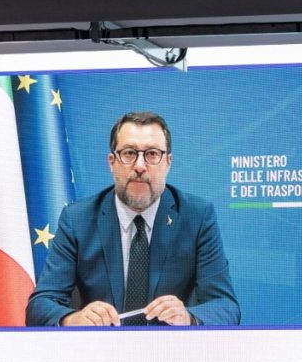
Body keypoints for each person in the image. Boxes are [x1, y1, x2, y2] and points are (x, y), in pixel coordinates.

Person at [25, 111, 240, 327]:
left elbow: (226, 307)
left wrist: (188, 317)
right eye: (129, 153)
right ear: (112, 162)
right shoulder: (77, 219)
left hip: (169, 346)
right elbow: (39, 306)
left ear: (168, 163)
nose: (139, 166)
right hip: (101, 345)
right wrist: (73, 319)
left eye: (152, 154)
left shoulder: (197, 217)